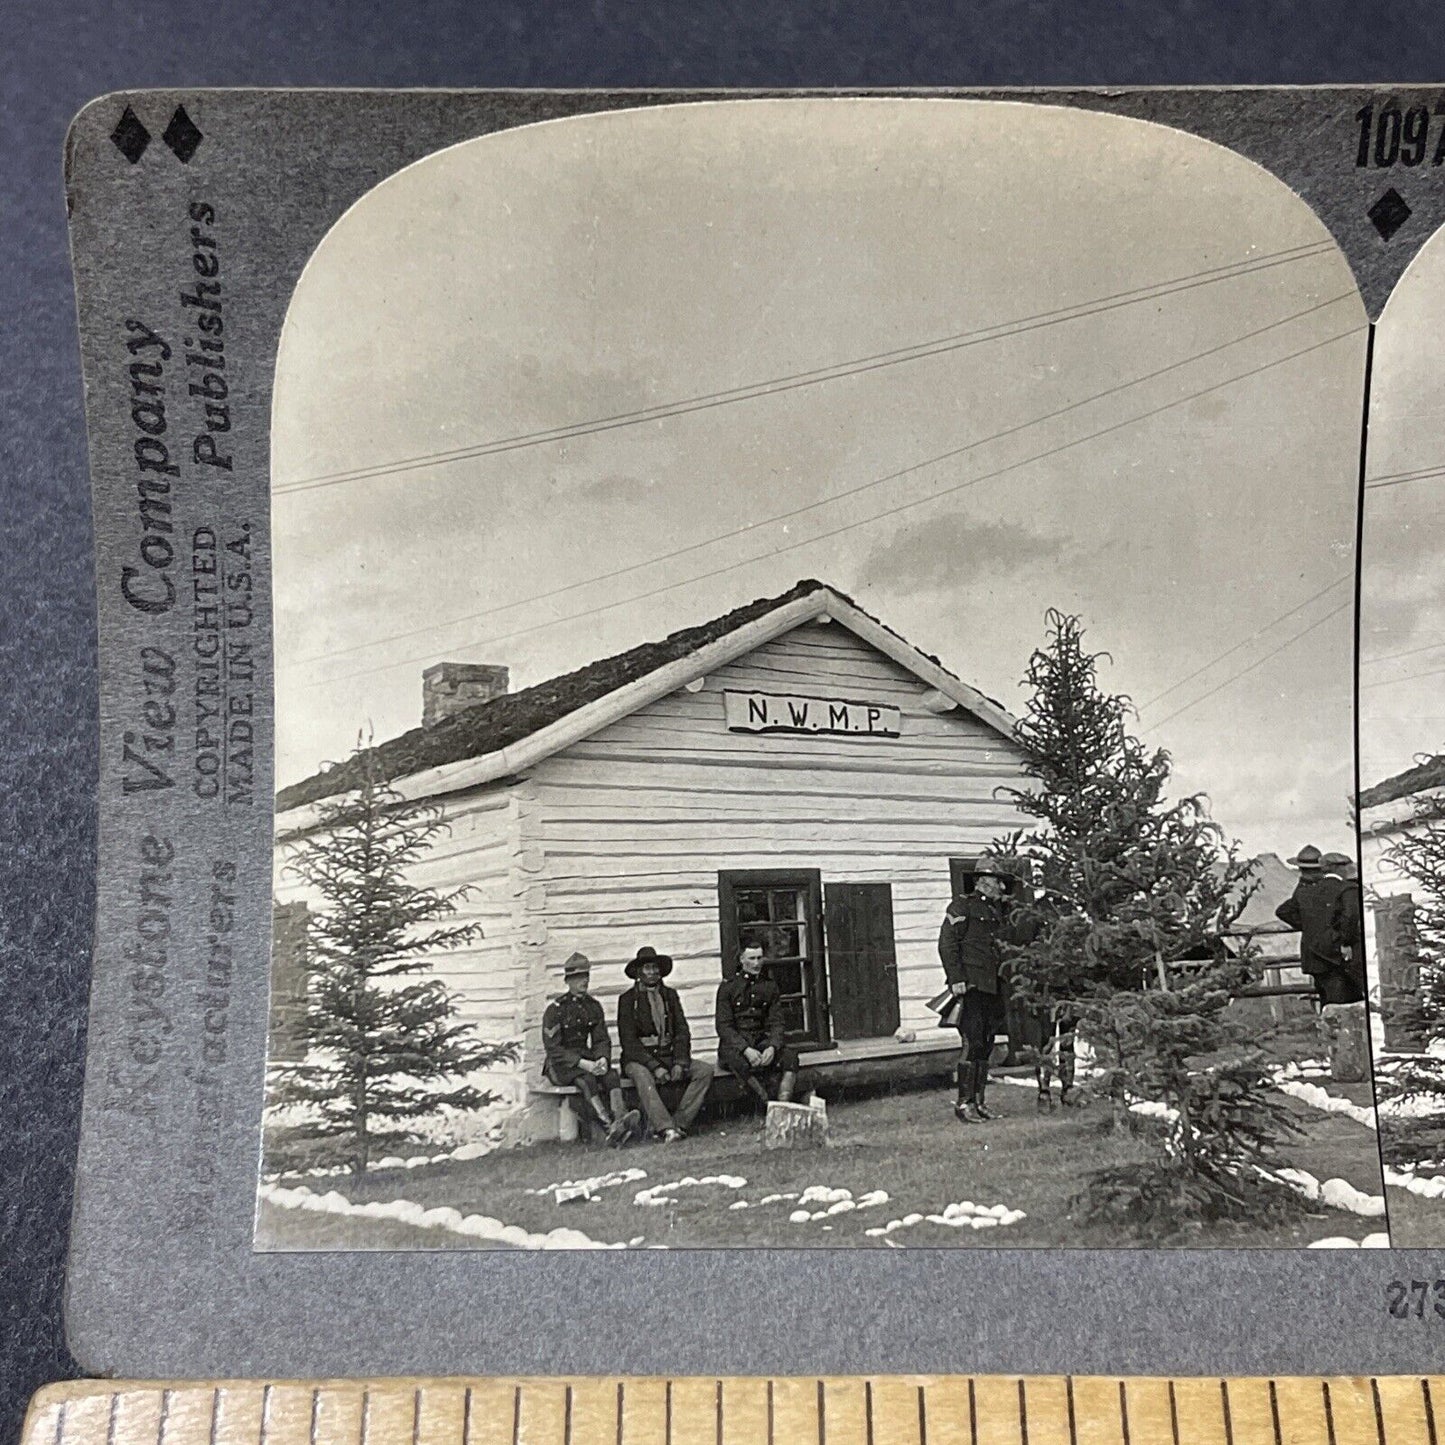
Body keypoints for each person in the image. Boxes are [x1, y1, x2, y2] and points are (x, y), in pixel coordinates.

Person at [937, 862, 1011, 1123]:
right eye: (997, 881)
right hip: (971, 986)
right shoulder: (962, 906)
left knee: (986, 1043)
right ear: (983, 881)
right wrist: (955, 978)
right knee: (972, 1043)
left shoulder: (995, 910)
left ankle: (979, 1102)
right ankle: (963, 1104)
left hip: (992, 985)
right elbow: (947, 943)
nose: (1001, 887)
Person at [541, 952, 640, 1145]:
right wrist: (582, 1063)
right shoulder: (555, 1009)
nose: (584, 982)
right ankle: (609, 1126)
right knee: (586, 1080)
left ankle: (621, 1118)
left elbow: (601, 1039)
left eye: (586, 977)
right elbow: (553, 1049)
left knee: (611, 1074)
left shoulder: (593, 1006)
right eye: (578, 978)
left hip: (585, 1058)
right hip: (560, 1065)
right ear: (568, 981)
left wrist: (602, 1058)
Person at [617, 945, 714, 1141]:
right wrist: (654, 1067)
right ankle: (665, 1128)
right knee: (643, 1076)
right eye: (647, 968)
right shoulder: (627, 1000)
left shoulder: (670, 995)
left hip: (668, 1055)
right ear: (638, 973)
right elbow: (628, 1041)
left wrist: (679, 1062)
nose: (652, 973)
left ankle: (679, 1123)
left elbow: (682, 1031)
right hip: (639, 1059)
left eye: (655, 968)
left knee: (705, 1070)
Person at [715, 942, 801, 1107]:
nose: (756, 963)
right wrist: (746, 1050)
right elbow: (723, 1027)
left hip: (760, 1041)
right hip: (735, 1046)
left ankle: (783, 1106)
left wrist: (772, 1047)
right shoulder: (728, 987)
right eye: (751, 958)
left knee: (790, 1057)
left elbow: (777, 1022)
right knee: (739, 1063)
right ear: (742, 959)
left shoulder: (769, 986)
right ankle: (767, 1104)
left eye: (759, 958)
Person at [1275, 845, 1350, 1007]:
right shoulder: (1332, 888)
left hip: (1314, 954)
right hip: (1331, 953)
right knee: (1338, 999)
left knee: (1327, 997)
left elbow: (1284, 911)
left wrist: (1307, 925)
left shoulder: (1302, 889)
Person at [1326, 854, 1368, 1004]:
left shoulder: (1345, 890)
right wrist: (1345, 941)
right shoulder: (1349, 890)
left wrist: (1344, 941)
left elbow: (1349, 917)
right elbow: (1350, 917)